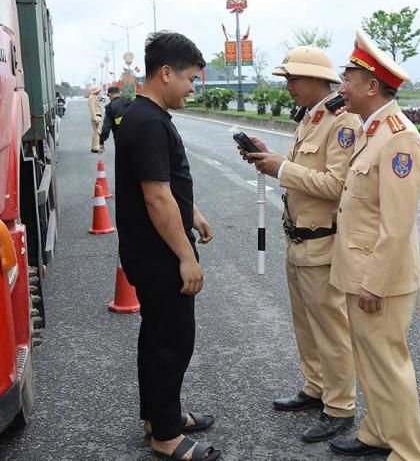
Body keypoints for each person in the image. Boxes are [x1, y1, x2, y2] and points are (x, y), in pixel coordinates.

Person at [241, 46, 359, 443]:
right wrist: (272, 158)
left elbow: (338, 186)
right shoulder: (313, 118)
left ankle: (340, 405)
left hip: (323, 243)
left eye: (293, 78)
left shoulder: (342, 123)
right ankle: (315, 387)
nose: (288, 86)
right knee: (305, 324)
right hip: (298, 238)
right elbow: (302, 171)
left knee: (330, 328)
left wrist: (282, 168)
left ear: (315, 79)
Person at [115, 31, 221, 461]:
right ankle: (166, 436)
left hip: (150, 248)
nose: (193, 89)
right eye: (191, 80)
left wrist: (191, 211)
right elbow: (156, 196)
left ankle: (160, 416)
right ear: (165, 73)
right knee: (172, 341)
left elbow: (166, 187)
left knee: (157, 336)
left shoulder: (146, 118)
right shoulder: (148, 123)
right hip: (159, 254)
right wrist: (185, 256)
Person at [327, 29, 420, 460]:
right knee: (368, 360)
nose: (342, 88)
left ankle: (408, 452)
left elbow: (398, 224)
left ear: (371, 86)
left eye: (348, 79)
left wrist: (376, 282)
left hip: (378, 278)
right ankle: (377, 431)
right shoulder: (372, 130)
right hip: (360, 271)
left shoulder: (399, 137)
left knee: (390, 367)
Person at [99, 84, 132, 151]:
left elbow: (106, 127)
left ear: (110, 95)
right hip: (135, 137)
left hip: (120, 139)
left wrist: (101, 142)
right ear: (119, 93)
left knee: (122, 159)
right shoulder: (129, 102)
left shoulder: (110, 107)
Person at [87, 85, 103, 153]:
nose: (99, 91)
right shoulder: (92, 98)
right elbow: (92, 109)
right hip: (96, 116)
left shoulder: (94, 97)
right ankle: (95, 147)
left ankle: (95, 146)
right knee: (97, 132)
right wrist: (94, 118)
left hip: (97, 116)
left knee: (96, 132)